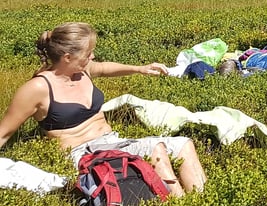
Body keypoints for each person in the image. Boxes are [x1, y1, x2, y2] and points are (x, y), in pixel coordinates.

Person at [0, 23, 206, 196]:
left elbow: (104, 68)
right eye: (88, 54)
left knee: (184, 145)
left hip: (112, 141)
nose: (92, 57)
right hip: (82, 153)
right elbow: (5, 132)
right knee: (155, 149)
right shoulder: (37, 88)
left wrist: (139, 69)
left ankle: (202, 203)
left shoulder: (82, 70)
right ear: (67, 57)